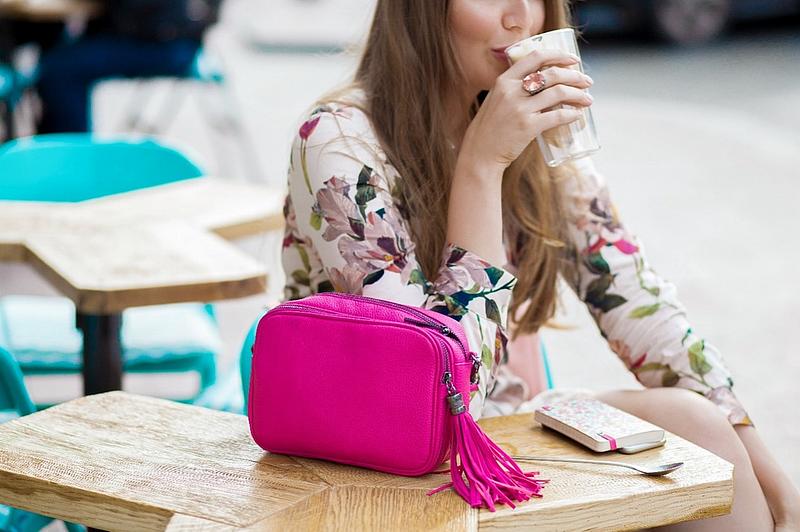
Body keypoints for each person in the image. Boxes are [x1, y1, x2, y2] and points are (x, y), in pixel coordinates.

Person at [280, 1, 800, 529]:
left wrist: (776, 483)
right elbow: (435, 402)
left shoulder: (529, 124)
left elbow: (637, 301)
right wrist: (481, 168)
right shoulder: (337, 141)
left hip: (500, 431)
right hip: (379, 459)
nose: (522, 16)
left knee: (698, 422)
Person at [35, 0, 222, 133]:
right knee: (55, 55)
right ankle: (49, 156)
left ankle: (71, 163)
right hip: (160, 33)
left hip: (166, 41)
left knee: (61, 69)